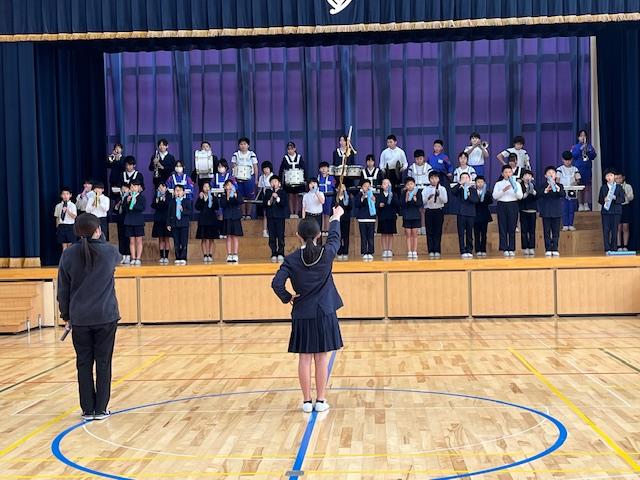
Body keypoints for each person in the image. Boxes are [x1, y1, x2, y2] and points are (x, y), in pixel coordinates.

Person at [271, 206, 345, 413]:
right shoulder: (326, 253)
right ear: (319, 235)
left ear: (298, 236)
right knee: (321, 357)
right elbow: (335, 238)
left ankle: (306, 401)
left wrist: (288, 297)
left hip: (302, 313)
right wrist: (336, 218)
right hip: (325, 312)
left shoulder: (291, 259)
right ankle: (320, 401)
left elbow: (276, 284)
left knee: (304, 358)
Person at [57, 213, 122, 421]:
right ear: (98, 230)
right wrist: (98, 238)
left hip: (80, 317)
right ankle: (101, 408)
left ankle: (87, 409)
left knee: (83, 363)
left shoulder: (68, 254)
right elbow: (115, 257)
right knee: (103, 362)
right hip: (105, 315)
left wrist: (66, 315)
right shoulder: (109, 251)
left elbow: (63, 289)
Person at [492, 164, 523, 256]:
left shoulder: (517, 183)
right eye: (505, 172)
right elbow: (495, 196)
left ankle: (511, 248)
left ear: (512, 173)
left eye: (509, 172)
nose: (508, 174)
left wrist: (515, 189)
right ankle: (504, 248)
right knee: (502, 227)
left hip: (513, 205)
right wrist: (503, 190)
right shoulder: (498, 184)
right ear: (502, 174)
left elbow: (520, 197)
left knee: (512, 227)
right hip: (502, 205)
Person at [538, 166, 564, 257]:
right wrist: (546, 190)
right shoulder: (542, 186)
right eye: (549, 173)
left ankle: (555, 248)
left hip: (557, 211)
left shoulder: (560, 185)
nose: (551, 174)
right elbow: (539, 195)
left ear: (555, 175)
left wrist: (557, 188)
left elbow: (563, 194)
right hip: (546, 211)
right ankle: (548, 249)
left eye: (553, 173)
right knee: (547, 232)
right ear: (545, 175)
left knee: (556, 232)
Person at [452, 173, 479, 258]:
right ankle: (462, 250)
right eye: (462, 178)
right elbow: (452, 192)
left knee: (469, 233)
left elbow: (476, 200)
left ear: (470, 179)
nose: (465, 179)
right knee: (461, 233)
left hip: (471, 214)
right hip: (461, 213)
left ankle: (469, 250)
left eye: (466, 178)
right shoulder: (459, 189)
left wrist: (468, 195)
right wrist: (460, 184)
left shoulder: (473, 189)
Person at [231, 137, 258, 219]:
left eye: (245, 144)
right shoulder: (236, 154)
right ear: (239, 145)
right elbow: (234, 167)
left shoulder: (252, 154)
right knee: (241, 196)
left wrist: (256, 179)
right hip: (239, 179)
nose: (243, 146)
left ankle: (248, 214)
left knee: (249, 196)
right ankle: (243, 214)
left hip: (249, 178)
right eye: (241, 144)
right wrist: (234, 179)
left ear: (248, 145)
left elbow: (255, 167)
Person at [599, 169, 625, 253]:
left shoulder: (619, 187)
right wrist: (604, 200)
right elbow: (600, 200)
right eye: (607, 176)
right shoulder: (603, 188)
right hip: (606, 212)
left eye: (611, 175)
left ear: (614, 176)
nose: (609, 177)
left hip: (616, 212)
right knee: (606, 231)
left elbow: (623, 199)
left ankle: (614, 248)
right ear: (605, 177)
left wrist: (615, 198)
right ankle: (607, 249)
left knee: (615, 230)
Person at [422, 171, 448, 258]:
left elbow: (445, 201)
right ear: (429, 179)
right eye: (432, 178)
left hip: (438, 211)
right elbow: (422, 201)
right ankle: (430, 250)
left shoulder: (442, 188)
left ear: (439, 179)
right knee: (429, 231)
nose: (434, 180)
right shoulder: (426, 189)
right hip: (429, 211)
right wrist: (428, 198)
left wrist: (439, 195)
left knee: (438, 231)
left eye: (436, 178)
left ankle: (437, 250)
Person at [264, 175, 288, 262]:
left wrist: (277, 198)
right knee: (272, 236)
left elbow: (284, 204)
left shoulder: (283, 193)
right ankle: (273, 253)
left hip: (280, 217)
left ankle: (281, 253)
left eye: (275, 181)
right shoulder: (268, 192)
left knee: (280, 235)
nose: (273, 183)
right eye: (272, 182)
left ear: (279, 183)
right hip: (270, 217)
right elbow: (265, 204)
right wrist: (271, 197)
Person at [571, 130, 597, 211]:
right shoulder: (575, 147)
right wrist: (580, 149)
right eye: (581, 135)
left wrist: (588, 150)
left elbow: (593, 156)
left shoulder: (589, 146)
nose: (583, 137)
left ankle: (586, 204)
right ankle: (580, 204)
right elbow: (573, 156)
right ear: (578, 137)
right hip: (578, 168)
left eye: (584, 135)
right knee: (579, 187)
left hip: (587, 168)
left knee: (587, 187)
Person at [167, 184, 193, 265]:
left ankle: (183, 257)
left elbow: (190, 212)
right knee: (176, 242)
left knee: (184, 241)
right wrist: (168, 224)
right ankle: (177, 257)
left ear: (183, 192)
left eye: (180, 190)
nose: (178, 192)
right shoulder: (172, 202)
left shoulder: (187, 201)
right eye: (176, 190)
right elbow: (169, 213)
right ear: (174, 192)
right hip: (174, 224)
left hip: (184, 224)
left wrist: (183, 210)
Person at [279, 141, 306, 218]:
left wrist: (305, 179)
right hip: (289, 180)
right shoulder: (285, 158)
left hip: (298, 180)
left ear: (295, 149)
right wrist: (280, 180)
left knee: (297, 197)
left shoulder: (299, 157)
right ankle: (291, 213)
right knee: (290, 196)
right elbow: (281, 170)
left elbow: (304, 168)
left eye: (291, 149)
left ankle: (296, 213)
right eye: (288, 149)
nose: (290, 150)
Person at [195, 182, 220, 263]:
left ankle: (210, 255)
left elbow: (217, 207)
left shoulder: (213, 197)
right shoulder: (201, 196)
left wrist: (212, 200)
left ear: (210, 188)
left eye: (207, 186)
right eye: (204, 186)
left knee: (211, 239)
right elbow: (197, 207)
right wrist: (201, 199)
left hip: (212, 220)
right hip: (203, 220)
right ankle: (205, 255)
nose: (206, 188)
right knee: (203, 238)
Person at [408, 149, 432, 235]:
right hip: (415, 190)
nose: (419, 160)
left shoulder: (428, 167)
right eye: (417, 159)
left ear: (424, 158)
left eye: (420, 158)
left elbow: (431, 179)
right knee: (417, 209)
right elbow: (409, 180)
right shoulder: (411, 167)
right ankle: (417, 227)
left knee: (424, 209)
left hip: (425, 189)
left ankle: (424, 227)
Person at [220, 179, 244, 263]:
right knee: (229, 236)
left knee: (235, 236)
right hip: (228, 217)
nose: (229, 187)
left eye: (231, 185)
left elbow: (240, 201)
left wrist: (236, 196)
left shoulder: (236, 193)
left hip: (235, 217)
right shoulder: (223, 195)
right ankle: (229, 254)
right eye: (227, 185)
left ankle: (235, 254)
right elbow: (223, 204)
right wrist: (227, 196)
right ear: (225, 187)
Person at [123, 179, 145, 266]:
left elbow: (142, 208)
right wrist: (127, 202)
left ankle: (138, 258)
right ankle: (133, 257)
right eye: (131, 187)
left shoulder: (141, 197)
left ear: (139, 187)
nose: (133, 188)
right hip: (129, 221)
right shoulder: (127, 197)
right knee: (131, 241)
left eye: (135, 186)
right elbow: (124, 209)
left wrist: (134, 204)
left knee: (139, 240)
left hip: (138, 221)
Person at [400, 177, 423, 259]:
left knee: (415, 235)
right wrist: (406, 199)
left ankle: (414, 251)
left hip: (415, 216)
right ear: (406, 186)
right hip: (407, 216)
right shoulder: (404, 193)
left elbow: (420, 204)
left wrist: (415, 200)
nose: (410, 186)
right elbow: (401, 204)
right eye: (408, 184)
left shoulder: (418, 192)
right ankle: (409, 251)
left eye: (411, 184)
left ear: (414, 184)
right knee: (408, 235)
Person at [557, 151, 580, 231]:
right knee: (564, 208)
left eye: (569, 160)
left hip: (572, 191)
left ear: (572, 159)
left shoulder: (575, 169)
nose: (567, 162)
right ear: (562, 160)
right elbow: (557, 180)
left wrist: (575, 182)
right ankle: (565, 224)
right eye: (566, 160)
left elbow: (578, 180)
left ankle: (571, 224)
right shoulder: (559, 169)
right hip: (563, 191)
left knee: (571, 208)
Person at [356, 179, 377, 260]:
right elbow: (357, 205)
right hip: (362, 219)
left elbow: (377, 206)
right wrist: (362, 198)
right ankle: (364, 252)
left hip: (371, 218)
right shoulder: (359, 195)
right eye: (365, 186)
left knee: (371, 236)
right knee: (363, 236)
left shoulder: (373, 195)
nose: (367, 188)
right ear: (362, 187)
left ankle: (370, 252)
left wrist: (374, 200)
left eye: (368, 186)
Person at [377, 178, 398, 258]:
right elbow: (376, 205)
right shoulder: (379, 195)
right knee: (383, 234)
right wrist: (379, 205)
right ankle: (384, 250)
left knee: (390, 234)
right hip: (382, 216)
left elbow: (397, 204)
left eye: (388, 184)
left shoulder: (393, 194)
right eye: (384, 184)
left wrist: (391, 197)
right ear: (382, 186)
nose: (386, 185)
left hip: (391, 216)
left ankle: (390, 250)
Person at [151, 182, 171, 264]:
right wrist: (157, 201)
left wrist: (162, 202)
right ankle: (161, 256)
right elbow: (153, 205)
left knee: (166, 238)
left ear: (166, 188)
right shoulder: (156, 195)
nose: (161, 189)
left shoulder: (169, 195)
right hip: (158, 219)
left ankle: (166, 257)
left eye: (162, 187)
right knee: (160, 238)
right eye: (159, 187)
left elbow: (168, 205)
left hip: (166, 219)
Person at [519, 170, 538, 256]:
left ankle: (531, 247)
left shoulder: (534, 185)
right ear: (522, 178)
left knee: (532, 231)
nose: (527, 177)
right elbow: (519, 198)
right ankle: (525, 248)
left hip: (532, 210)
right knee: (524, 230)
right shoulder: (520, 186)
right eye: (525, 175)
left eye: (529, 175)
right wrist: (526, 193)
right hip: (523, 210)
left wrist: (533, 192)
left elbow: (538, 196)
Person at [473, 176, 493, 257]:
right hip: (475, 215)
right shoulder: (473, 192)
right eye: (478, 182)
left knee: (484, 234)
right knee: (476, 234)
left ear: (484, 183)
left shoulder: (487, 192)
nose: (480, 184)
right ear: (475, 183)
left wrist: (485, 195)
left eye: (482, 182)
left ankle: (483, 249)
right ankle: (477, 250)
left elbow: (490, 201)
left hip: (484, 215)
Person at [54, 187, 77, 251]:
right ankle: (64, 257)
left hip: (70, 226)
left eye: (67, 194)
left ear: (70, 195)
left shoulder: (72, 205)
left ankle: (70, 257)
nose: (65, 196)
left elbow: (74, 217)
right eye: (63, 194)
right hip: (61, 226)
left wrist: (67, 211)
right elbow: (57, 217)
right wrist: (57, 227)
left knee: (70, 247)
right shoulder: (58, 206)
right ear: (61, 195)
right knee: (64, 247)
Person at [113, 184, 131, 264]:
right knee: (121, 237)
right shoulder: (119, 198)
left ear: (129, 190)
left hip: (127, 220)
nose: (124, 190)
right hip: (120, 220)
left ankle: (128, 255)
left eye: (125, 189)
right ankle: (122, 255)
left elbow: (128, 209)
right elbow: (115, 210)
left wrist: (125, 202)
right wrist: (117, 205)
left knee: (127, 238)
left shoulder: (130, 198)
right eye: (122, 189)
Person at [334, 181, 352, 261]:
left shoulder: (347, 197)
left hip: (346, 219)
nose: (342, 189)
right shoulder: (335, 197)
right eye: (340, 187)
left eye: (343, 187)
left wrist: (346, 195)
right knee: (338, 236)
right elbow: (332, 207)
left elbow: (350, 206)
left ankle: (345, 252)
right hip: (337, 219)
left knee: (346, 236)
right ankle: (339, 251)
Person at [616, 172, 634, 251]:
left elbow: (631, 197)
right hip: (617, 207)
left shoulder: (628, 186)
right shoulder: (613, 187)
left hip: (625, 207)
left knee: (625, 227)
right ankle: (619, 246)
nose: (618, 180)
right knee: (618, 227)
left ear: (623, 178)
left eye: (619, 178)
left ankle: (625, 246)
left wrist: (624, 192)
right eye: (616, 178)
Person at [256, 161, 274, 238]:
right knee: (265, 214)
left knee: (272, 214)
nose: (266, 170)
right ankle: (264, 231)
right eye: (264, 168)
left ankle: (272, 231)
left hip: (272, 196)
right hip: (264, 197)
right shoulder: (261, 177)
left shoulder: (273, 177)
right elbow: (259, 188)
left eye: (267, 168)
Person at [317, 162, 335, 234]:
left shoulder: (331, 178)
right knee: (321, 213)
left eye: (325, 167)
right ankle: (321, 229)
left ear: (328, 169)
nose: (324, 169)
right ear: (319, 169)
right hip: (320, 198)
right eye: (322, 168)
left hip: (329, 197)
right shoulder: (318, 178)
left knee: (327, 213)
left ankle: (327, 230)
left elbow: (334, 187)